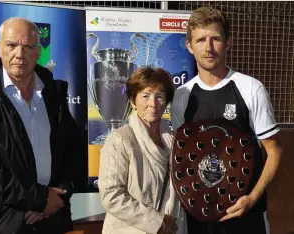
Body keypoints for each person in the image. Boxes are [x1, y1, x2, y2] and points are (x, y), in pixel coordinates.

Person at [0, 17, 85, 234]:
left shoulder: (53, 93)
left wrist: (59, 194)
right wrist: (38, 199)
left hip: (49, 222)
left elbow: (74, 150)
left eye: (28, 46)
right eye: (12, 45)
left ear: (38, 52)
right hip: (0, 225)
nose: (19, 54)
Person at [170, 6, 283, 234]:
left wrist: (252, 198)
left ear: (228, 43)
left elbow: (275, 151)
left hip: (245, 218)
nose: (208, 48)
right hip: (198, 220)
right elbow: (180, 157)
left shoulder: (251, 88)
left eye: (215, 39)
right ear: (190, 46)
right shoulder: (182, 95)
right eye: (201, 40)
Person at [98, 67, 187, 234]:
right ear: (133, 101)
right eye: (145, 96)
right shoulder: (120, 140)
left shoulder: (175, 141)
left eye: (159, 96)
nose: (153, 104)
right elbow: (112, 195)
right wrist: (157, 222)